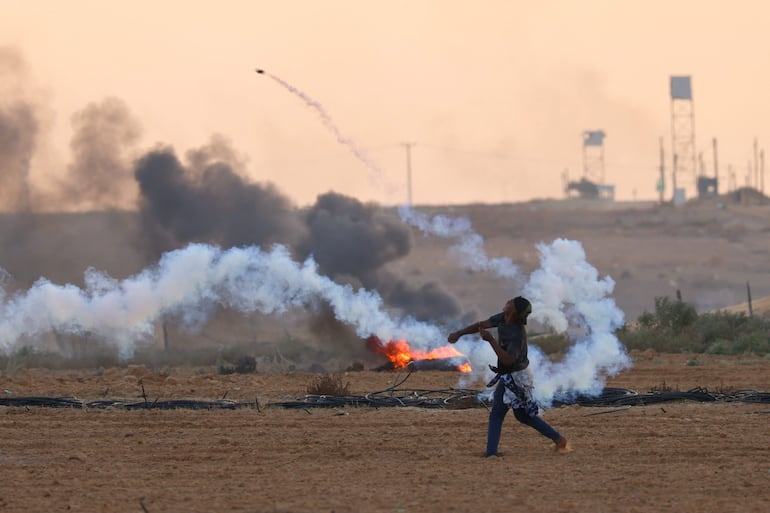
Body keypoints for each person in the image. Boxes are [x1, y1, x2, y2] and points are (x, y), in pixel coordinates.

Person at [448, 296, 570, 457]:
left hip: (518, 378)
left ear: (514, 310)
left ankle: (491, 454)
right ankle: (559, 439)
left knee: (498, 414)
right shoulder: (503, 318)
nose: (507, 302)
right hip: (509, 375)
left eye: (510, 302)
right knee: (522, 416)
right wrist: (459, 333)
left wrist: (491, 340)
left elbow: (509, 359)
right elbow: (481, 325)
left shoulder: (517, 334)